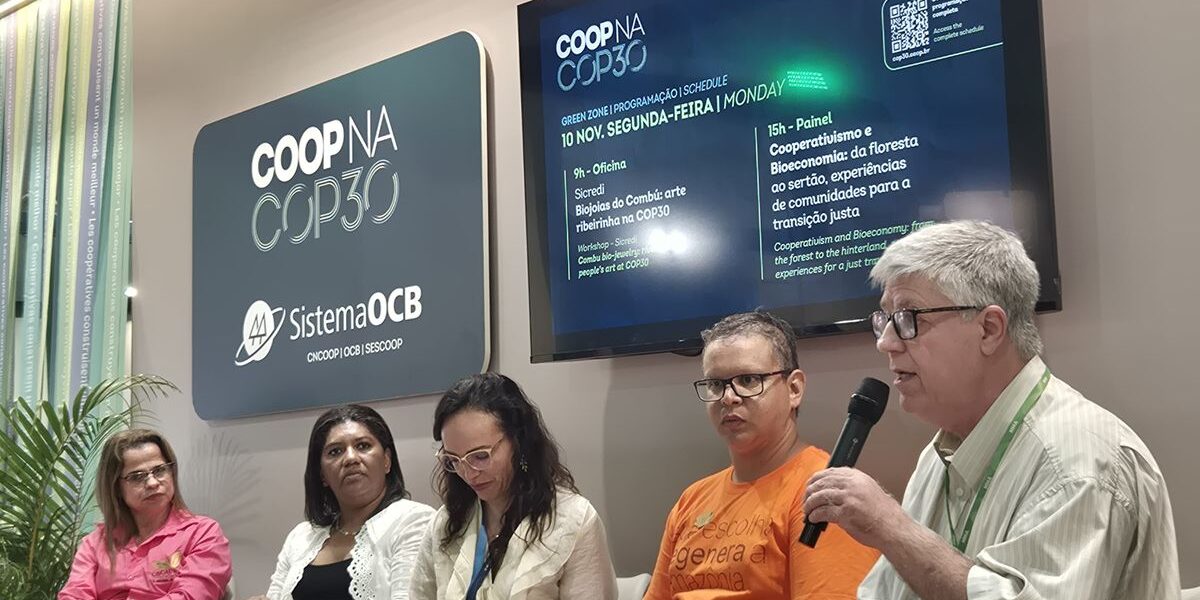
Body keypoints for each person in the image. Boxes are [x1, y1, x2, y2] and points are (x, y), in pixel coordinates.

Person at [802, 220, 1181, 599]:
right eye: (885, 319)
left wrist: (891, 528)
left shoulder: (1078, 462)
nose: (886, 342)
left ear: (989, 329)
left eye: (908, 318)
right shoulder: (939, 455)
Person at [643, 311, 880, 599]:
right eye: (716, 384)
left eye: (748, 379)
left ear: (794, 389)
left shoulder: (826, 493)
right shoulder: (691, 500)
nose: (728, 397)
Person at [409, 372, 617, 600]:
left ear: (519, 442)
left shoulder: (573, 522)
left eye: (480, 456)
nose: (468, 473)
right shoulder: (446, 522)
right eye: (454, 460)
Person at [251, 404, 434, 600]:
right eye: (335, 451)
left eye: (362, 446)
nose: (350, 458)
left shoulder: (413, 521)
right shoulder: (300, 537)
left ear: (386, 460)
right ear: (322, 475)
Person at [59, 428, 232, 599]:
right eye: (137, 476)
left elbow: (190, 596)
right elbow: (74, 595)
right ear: (116, 487)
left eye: (159, 470)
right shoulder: (95, 543)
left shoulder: (203, 534)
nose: (152, 483)